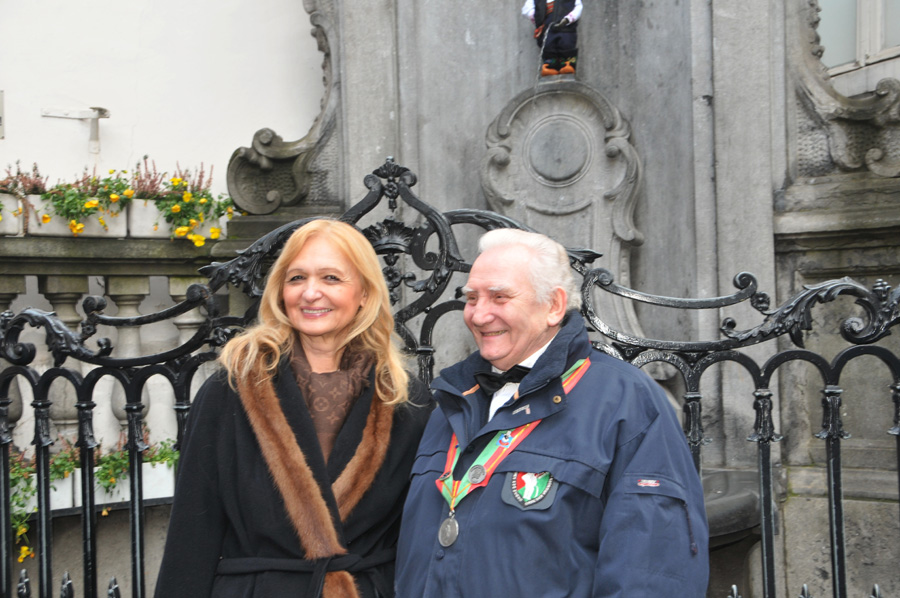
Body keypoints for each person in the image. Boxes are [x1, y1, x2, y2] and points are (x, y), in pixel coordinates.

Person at [394, 228, 709, 597]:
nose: (479, 315)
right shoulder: (450, 399)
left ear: (554, 306)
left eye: (499, 297)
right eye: (471, 298)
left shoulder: (626, 402)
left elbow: (652, 570)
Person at [155, 219, 433, 598]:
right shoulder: (231, 389)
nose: (311, 293)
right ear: (280, 290)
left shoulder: (406, 402)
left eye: (331, 278)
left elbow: (420, 538)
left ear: (365, 293)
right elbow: (192, 531)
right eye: (297, 278)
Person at [522, 0, 582, 76]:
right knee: (548, 44)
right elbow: (526, 9)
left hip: (565, 27)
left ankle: (567, 64)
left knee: (566, 42)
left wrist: (568, 19)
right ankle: (550, 66)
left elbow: (578, 7)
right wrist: (537, 17)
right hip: (547, 27)